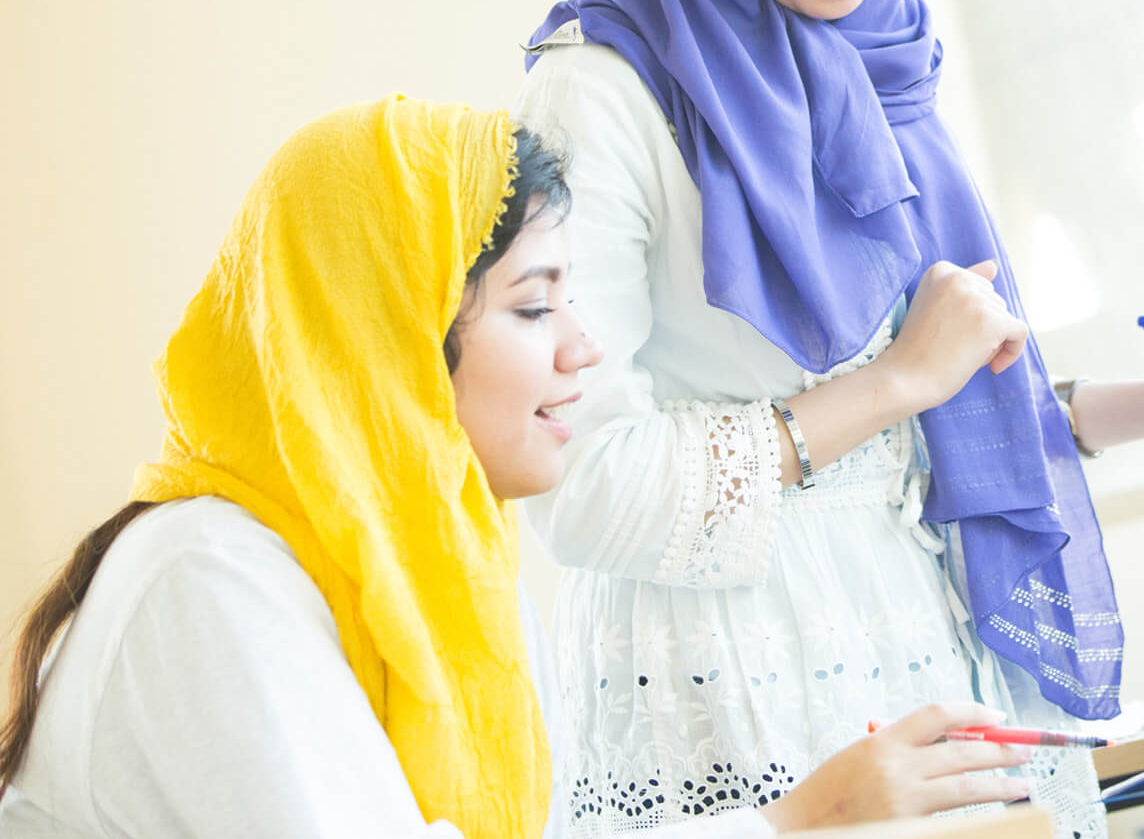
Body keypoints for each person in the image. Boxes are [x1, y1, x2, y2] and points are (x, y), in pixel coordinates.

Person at [514, 0, 1144, 833]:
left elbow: (934, 415)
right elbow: (578, 486)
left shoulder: (873, 50)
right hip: (741, 693)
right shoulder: (595, 100)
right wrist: (890, 380)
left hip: (927, 649)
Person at [0, 97, 1041, 837]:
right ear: (386, 338)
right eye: (535, 304)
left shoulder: (450, 576)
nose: (581, 347)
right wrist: (799, 816)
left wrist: (817, 807)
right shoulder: (208, 576)